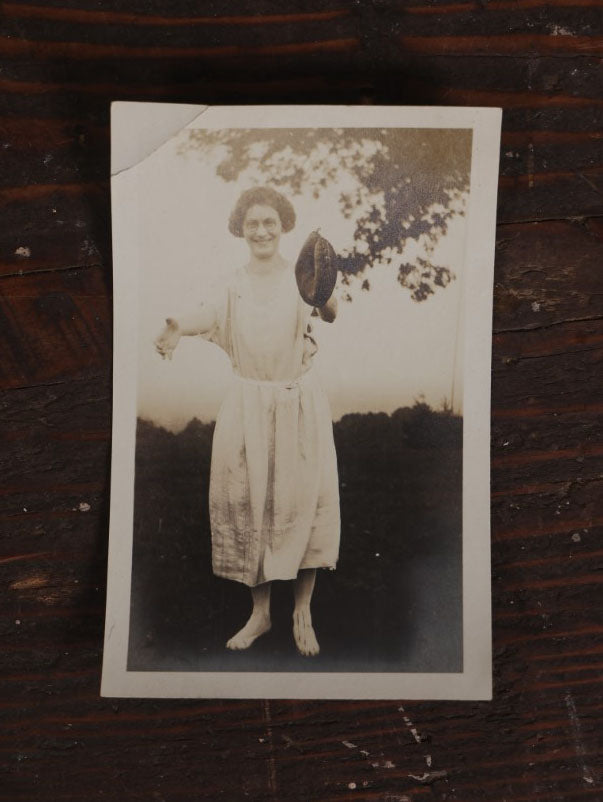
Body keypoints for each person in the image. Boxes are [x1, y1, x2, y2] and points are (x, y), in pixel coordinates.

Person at [154, 187, 340, 657]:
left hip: (297, 404)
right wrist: (176, 324)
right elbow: (208, 314)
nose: (261, 230)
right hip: (248, 407)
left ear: (283, 227)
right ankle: (260, 614)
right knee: (252, 504)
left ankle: (303, 613)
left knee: (304, 503)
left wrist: (321, 290)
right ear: (241, 228)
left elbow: (331, 310)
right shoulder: (232, 283)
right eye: (253, 223)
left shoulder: (302, 276)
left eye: (270, 222)